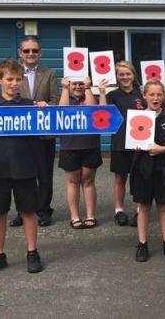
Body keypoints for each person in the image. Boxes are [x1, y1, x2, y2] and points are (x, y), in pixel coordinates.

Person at [0, 59, 45, 275]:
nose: (14, 83)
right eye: (9, 79)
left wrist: (45, 112)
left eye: (18, 79)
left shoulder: (30, 105)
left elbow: (44, 133)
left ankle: (32, 252)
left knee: (28, 211)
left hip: (24, 167)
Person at [132, 80, 165, 263]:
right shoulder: (136, 117)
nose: (155, 98)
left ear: (164, 96)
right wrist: (136, 146)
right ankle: (142, 244)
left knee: (164, 206)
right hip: (142, 169)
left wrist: (161, 149)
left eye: (159, 95)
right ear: (145, 96)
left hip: (164, 169)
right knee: (143, 207)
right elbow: (130, 142)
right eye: (152, 94)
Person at [14, 36, 59, 228]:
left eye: (34, 50)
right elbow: (8, 100)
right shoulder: (12, 73)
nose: (30, 54)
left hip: (43, 133)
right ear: (20, 53)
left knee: (44, 173)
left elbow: (56, 101)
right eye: (26, 51)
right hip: (21, 134)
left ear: (40, 53)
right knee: (21, 174)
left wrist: (46, 105)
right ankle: (23, 211)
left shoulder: (49, 73)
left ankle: (43, 210)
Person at [58, 76, 105, 229]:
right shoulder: (65, 97)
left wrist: (88, 87)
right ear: (69, 85)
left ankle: (91, 215)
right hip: (69, 146)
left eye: (81, 84)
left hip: (90, 145)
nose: (78, 87)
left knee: (88, 180)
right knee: (73, 182)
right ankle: (75, 216)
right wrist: (65, 89)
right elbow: (62, 111)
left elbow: (94, 110)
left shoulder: (91, 96)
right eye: (74, 84)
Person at [105, 61, 143, 227]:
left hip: (140, 141)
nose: (125, 77)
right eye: (121, 74)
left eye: (128, 74)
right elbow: (102, 114)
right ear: (117, 77)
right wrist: (100, 92)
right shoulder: (112, 95)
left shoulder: (142, 94)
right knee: (120, 177)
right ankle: (119, 210)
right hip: (120, 141)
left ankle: (139, 211)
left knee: (140, 177)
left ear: (134, 75)